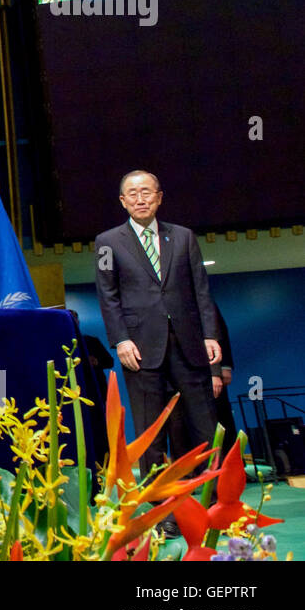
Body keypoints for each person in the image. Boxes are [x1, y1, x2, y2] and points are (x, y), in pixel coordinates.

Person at [94, 170, 222, 480]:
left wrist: (210, 335)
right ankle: (159, 513)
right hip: (140, 348)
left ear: (159, 197)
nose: (141, 199)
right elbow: (107, 294)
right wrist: (121, 340)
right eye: (133, 194)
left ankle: (213, 501)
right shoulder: (107, 243)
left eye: (147, 192)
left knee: (204, 424)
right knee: (150, 431)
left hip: (189, 346)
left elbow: (200, 290)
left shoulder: (183, 236)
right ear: (124, 202)